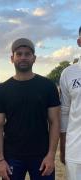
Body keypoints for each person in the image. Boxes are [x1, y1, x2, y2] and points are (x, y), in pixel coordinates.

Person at [0, 38, 60, 180]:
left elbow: (55, 122)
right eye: (19, 54)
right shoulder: (2, 90)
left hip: (42, 156)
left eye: (27, 54)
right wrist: (0, 160)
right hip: (12, 156)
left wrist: (51, 155)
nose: (23, 57)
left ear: (34, 58)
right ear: (12, 58)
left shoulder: (47, 86)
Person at [60, 26, 81, 180]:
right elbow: (64, 112)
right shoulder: (69, 73)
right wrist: (62, 146)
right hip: (76, 150)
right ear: (79, 42)